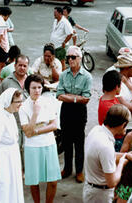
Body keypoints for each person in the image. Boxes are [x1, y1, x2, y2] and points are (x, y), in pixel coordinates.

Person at [84, 104, 132, 203]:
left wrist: (126, 155)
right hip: (100, 195)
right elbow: (112, 182)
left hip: (91, 189)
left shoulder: (96, 130)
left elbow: (103, 156)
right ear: (123, 124)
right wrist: (122, 163)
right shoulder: (106, 146)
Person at [19, 74, 61, 203]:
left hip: (49, 143)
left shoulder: (49, 102)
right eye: (33, 88)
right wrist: (35, 113)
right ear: (28, 89)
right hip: (32, 147)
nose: (37, 90)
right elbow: (27, 132)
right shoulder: (23, 107)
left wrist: (36, 130)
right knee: (34, 181)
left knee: (53, 181)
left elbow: (54, 125)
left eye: (39, 87)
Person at [56, 45, 92, 183]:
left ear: (80, 58)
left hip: (79, 112)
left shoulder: (87, 76)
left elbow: (86, 98)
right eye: (68, 57)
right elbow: (59, 95)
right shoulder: (63, 75)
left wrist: (70, 97)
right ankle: (67, 168)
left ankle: (79, 171)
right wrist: (77, 97)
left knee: (79, 143)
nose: (70, 60)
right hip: (66, 111)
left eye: (73, 57)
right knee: (66, 142)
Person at [98, 70, 123, 151]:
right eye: (120, 85)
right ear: (116, 87)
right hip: (114, 140)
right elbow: (119, 131)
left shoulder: (105, 98)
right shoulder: (111, 107)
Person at [50, 7, 74, 71]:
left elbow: (70, 33)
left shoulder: (65, 22)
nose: (54, 14)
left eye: (55, 13)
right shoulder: (55, 21)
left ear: (60, 13)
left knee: (61, 62)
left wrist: (64, 42)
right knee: (55, 62)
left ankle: (63, 76)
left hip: (61, 46)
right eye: (54, 13)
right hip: (54, 46)